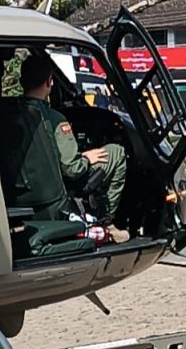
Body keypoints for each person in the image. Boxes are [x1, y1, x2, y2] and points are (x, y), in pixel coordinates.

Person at [19, 54, 130, 243]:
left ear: (21, 81)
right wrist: (86, 158)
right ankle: (105, 223)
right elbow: (72, 168)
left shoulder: (5, 114)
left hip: (21, 189)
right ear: (49, 82)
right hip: (52, 190)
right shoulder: (54, 119)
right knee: (117, 153)